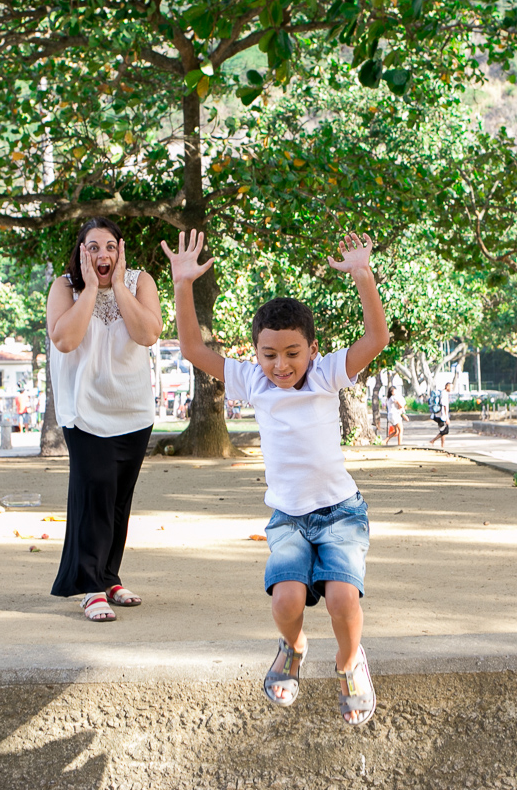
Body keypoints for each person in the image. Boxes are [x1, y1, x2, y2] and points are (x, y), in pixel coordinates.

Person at [166, 228, 390, 726]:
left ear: (312, 348)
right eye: (269, 354)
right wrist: (183, 284)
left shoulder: (328, 373)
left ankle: (350, 662)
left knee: (340, 596)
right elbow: (191, 349)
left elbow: (376, 338)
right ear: (256, 352)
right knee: (287, 598)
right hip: (288, 518)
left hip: (340, 514)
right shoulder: (251, 380)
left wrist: (362, 274)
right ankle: (293, 647)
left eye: (292, 353)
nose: (281, 364)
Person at [47, 217, 162, 623]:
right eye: (93, 247)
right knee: (93, 491)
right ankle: (90, 587)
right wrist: (92, 290)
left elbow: (148, 333)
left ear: (121, 249)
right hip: (84, 410)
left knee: (117, 500)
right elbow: (65, 340)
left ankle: (109, 576)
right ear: (81, 251)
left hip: (132, 410)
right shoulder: (65, 287)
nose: (103, 254)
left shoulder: (139, 282)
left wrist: (117, 287)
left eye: (110, 246)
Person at [428, 382, 451, 448]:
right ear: (447, 386)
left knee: (443, 431)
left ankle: (442, 446)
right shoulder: (444, 394)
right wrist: (447, 417)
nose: (451, 389)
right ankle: (432, 440)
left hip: (439, 415)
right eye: (450, 387)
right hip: (441, 416)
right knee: (445, 431)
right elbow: (444, 405)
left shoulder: (443, 393)